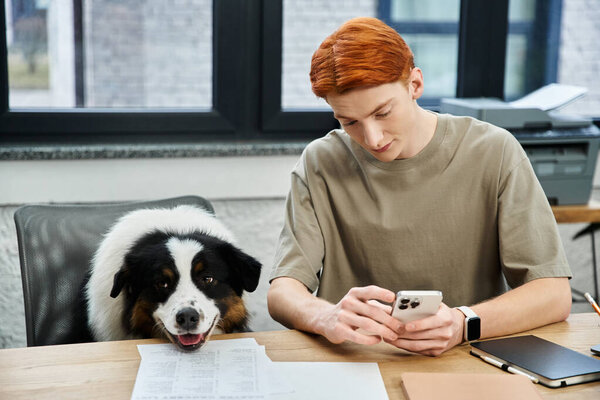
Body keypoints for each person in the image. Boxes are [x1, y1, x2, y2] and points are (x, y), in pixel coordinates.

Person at [267, 17, 572, 356]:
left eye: (382, 113)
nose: (372, 138)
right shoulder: (320, 162)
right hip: (354, 364)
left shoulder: (494, 151)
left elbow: (553, 294)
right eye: (349, 122)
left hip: (465, 362)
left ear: (415, 84)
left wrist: (462, 323)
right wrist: (324, 316)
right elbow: (283, 292)